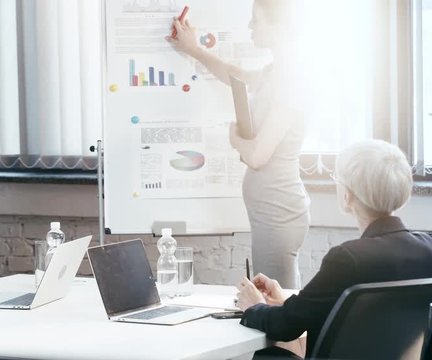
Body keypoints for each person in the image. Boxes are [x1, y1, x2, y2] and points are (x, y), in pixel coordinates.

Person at [235, 139, 432, 358]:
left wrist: (254, 307)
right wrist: (285, 303)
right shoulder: (427, 249)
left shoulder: (348, 259)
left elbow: (286, 327)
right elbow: (364, 323)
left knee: (267, 355)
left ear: (348, 194)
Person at [167, 0, 310, 289]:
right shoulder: (279, 71)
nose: (250, 26)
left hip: (278, 212)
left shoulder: (293, 77)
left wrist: (234, 139)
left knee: (275, 305)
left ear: (279, 26)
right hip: (273, 210)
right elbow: (235, 76)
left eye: (256, 20)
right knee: (276, 299)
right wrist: (194, 49)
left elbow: (257, 155)